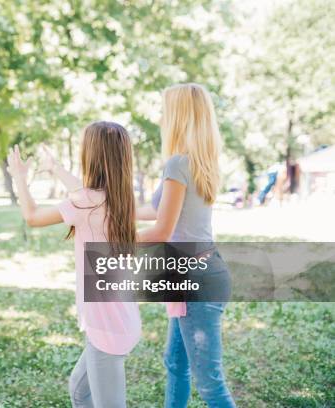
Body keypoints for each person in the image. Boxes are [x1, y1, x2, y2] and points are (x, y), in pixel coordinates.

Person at [7, 122, 142, 408]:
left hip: (107, 325)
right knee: (80, 392)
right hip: (119, 319)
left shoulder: (86, 202)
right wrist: (55, 168)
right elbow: (83, 193)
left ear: (91, 155)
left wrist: (19, 176)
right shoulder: (119, 198)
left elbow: (32, 216)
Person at [137, 83, 236, 407]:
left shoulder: (178, 164)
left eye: (166, 111)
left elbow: (162, 229)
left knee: (210, 385)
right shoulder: (196, 161)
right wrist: (109, 210)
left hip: (195, 280)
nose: (162, 118)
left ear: (179, 116)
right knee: (176, 363)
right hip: (203, 272)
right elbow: (157, 210)